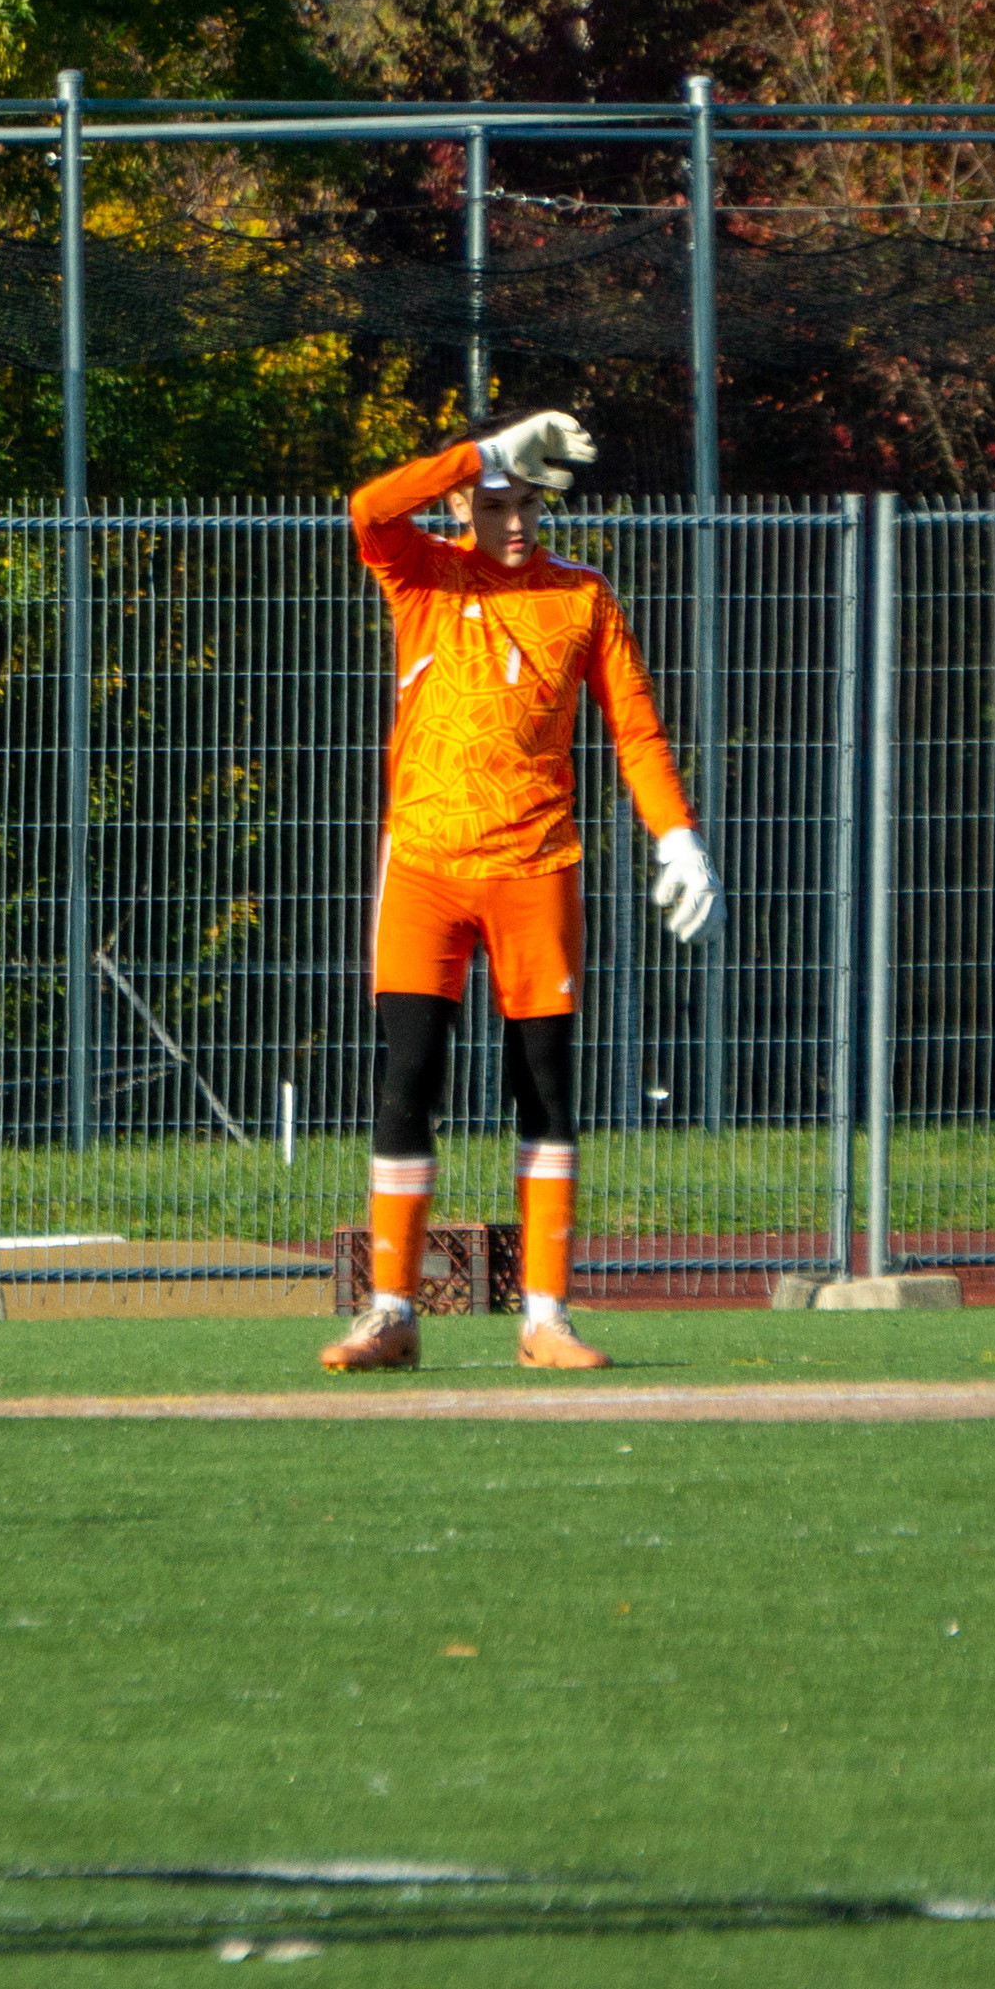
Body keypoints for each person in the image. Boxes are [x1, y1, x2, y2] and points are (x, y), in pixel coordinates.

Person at [322, 407, 724, 1374]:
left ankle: (546, 1317)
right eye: (496, 503)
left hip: (538, 868)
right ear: (464, 502)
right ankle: (390, 1312)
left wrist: (677, 837)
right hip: (424, 867)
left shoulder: (582, 595)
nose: (515, 522)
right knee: (408, 1077)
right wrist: (484, 453)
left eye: (528, 504)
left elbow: (636, 730)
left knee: (542, 1084)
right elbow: (368, 507)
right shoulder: (422, 572)